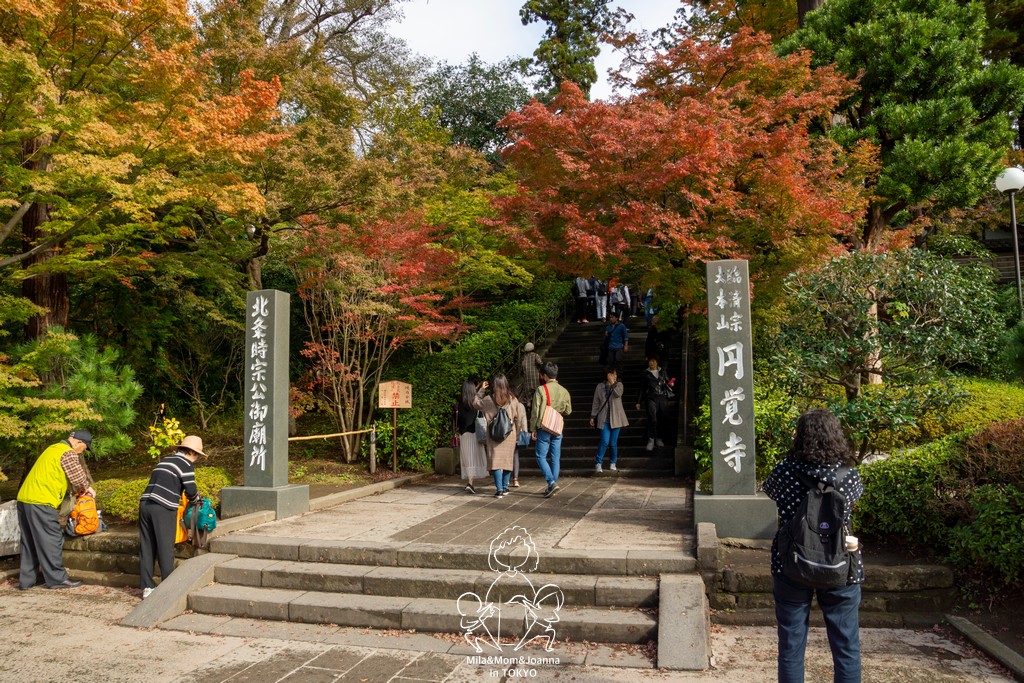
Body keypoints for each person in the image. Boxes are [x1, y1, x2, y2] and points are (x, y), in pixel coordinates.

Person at [763, 409, 864, 683]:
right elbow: (850, 506)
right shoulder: (849, 476)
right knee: (846, 646)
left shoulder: (785, 471)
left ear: (801, 437)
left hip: (792, 563)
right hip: (841, 564)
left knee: (791, 645)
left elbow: (769, 490)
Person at [16, 430, 95, 589]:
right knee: (52, 538)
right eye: (84, 448)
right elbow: (78, 479)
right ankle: (57, 579)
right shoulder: (68, 453)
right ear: (77, 442)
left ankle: (27, 581)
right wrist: (87, 489)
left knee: (30, 541)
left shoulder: (52, 449)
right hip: (41, 501)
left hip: (24, 499)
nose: (82, 452)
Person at [138, 435, 202, 598]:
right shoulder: (186, 464)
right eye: (198, 456)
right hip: (163, 507)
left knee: (147, 546)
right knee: (165, 547)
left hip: (145, 504)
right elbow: (191, 490)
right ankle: (168, 586)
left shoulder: (165, 461)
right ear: (192, 453)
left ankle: (147, 587)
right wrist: (197, 501)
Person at [473, 375, 528, 497]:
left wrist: (481, 390)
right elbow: (518, 419)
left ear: (494, 385)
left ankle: (499, 490)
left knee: (496, 462)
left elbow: (474, 403)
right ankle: (505, 487)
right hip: (509, 434)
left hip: (493, 435)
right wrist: (517, 434)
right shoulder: (513, 400)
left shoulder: (488, 399)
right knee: (507, 461)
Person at [530, 362, 572, 498]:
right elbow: (568, 410)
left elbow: (536, 411)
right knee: (555, 458)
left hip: (544, 426)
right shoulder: (564, 391)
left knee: (540, 456)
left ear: (545, 375)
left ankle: (551, 482)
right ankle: (552, 485)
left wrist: (533, 428)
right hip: (557, 427)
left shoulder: (541, 390)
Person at [590, 367, 628, 473]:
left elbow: (618, 394)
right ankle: (598, 463)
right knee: (604, 441)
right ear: (607, 375)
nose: (615, 376)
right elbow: (596, 402)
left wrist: (612, 384)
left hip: (616, 419)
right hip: (604, 418)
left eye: (615, 374)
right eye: (612, 374)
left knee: (613, 443)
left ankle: (613, 462)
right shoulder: (600, 386)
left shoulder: (619, 385)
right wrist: (593, 416)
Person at [457, 380, 488, 494]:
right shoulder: (474, 404)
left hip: (463, 434)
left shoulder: (459, 403)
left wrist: (481, 389)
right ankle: (470, 483)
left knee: (467, 458)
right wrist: (482, 389)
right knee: (473, 458)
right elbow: (478, 400)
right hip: (474, 434)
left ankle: (470, 482)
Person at [635, 354, 671, 451]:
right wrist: (638, 401)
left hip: (662, 396)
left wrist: (671, 383)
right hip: (650, 396)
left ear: (657, 362)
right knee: (652, 418)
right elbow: (642, 388)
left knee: (662, 418)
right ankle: (651, 439)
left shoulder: (662, 371)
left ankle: (659, 438)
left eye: (654, 361)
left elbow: (667, 383)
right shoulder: (645, 373)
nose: (652, 363)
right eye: (650, 361)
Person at [520, 343, 543, 414]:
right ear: (533, 348)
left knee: (528, 396)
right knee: (537, 394)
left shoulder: (524, 358)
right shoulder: (536, 356)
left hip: (527, 382)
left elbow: (522, 371)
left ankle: (528, 404)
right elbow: (540, 363)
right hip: (535, 381)